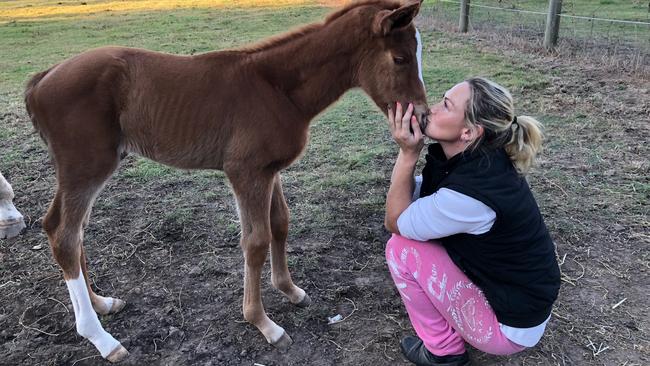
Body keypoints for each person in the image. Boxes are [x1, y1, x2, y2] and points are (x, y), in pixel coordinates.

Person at [384, 77, 561, 366]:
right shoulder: (478, 160)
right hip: (523, 305)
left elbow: (394, 220)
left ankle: (443, 352)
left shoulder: (471, 195)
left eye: (446, 105)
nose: (432, 108)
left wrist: (407, 154)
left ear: (468, 131)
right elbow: (408, 199)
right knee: (412, 220)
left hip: (509, 330)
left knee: (401, 248)